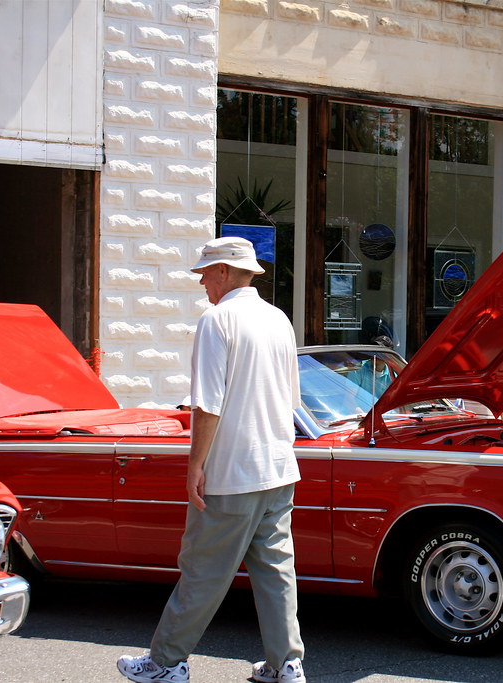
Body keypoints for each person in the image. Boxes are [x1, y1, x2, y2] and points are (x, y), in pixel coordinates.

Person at [118, 236, 306, 683]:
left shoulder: (217, 320)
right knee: (276, 571)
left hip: (232, 471)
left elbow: (208, 404)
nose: (202, 281)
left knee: (203, 570)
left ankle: (165, 663)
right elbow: (292, 400)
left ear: (223, 271)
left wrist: (195, 465)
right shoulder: (279, 319)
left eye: (205, 272)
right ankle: (287, 664)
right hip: (278, 467)